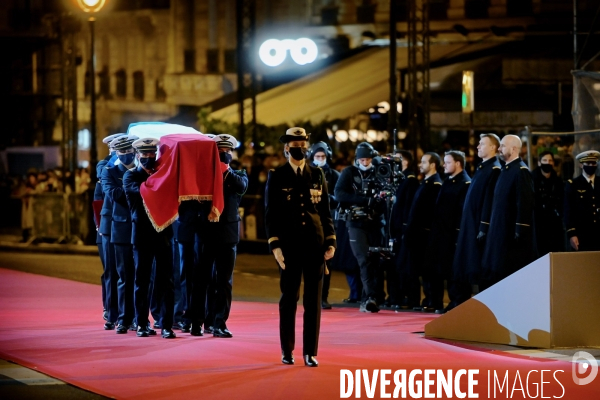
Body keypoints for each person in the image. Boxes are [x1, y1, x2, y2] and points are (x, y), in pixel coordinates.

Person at [265, 127, 336, 367]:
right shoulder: (277, 175)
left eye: (303, 144)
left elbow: (325, 211)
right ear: (287, 148)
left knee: (313, 301)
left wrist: (331, 241)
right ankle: (287, 349)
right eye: (295, 145)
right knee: (289, 298)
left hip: (314, 245)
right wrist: (275, 245)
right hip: (289, 247)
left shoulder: (317, 174)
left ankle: (310, 352)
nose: (300, 149)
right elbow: (270, 215)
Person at [193, 134, 248, 338]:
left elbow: (242, 188)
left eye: (227, 152)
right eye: (220, 152)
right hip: (206, 232)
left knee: (224, 281)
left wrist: (225, 171)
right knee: (202, 278)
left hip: (227, 234)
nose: (224, 155)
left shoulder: (238, 174)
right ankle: (198, 322)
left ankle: (219, 322)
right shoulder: (203, 175)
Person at [123, 138, 176, 339]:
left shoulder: (162, 175)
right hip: (143, 235)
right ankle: (142, 323)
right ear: (137, 155)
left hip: (163, 234)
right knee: (142, 281)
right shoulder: (130, 177)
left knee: (167, 282)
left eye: (151, 154)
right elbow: (146, 194)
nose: (147, 157)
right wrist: (162, 181)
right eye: (144, 154)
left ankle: (166, 325)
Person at [452, 134, 501, 309]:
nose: (478, 147)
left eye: (482, 144)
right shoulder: (483, 168)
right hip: (470, 225)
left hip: (479, 228)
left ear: (493, 147)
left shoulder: (494, 170)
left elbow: (489, 201)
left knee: (478, 268)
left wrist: (483, 226)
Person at [480, 135, 536, 291]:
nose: (499, 149)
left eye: (503, 146)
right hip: (499, 229)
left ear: (514, 149)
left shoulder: (521, 171)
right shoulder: (505, 170)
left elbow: (524, 202)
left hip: (509, 232)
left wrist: (520, 229)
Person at [334, 142, 384, 313]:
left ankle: (371, 297)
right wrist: (364, 200)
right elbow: (339, 194)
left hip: (376, 222)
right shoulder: (349, 172)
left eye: (368, 159)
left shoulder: (378, 172)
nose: (365, 162)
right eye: (362, 159)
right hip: (355, 223)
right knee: (363, 259)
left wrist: (378, 200)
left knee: (375, 260)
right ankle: (369, 297)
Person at [424, 151, 471, 313]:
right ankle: (451, 300)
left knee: (455, 270)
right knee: (444, 269)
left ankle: (458, 302)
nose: (444, 165)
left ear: (458, 164)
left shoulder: (464, 184)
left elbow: (461, 212)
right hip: (442, 234)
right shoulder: (448, 182)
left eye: (448, 162)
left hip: (453, 235)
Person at [101, 134, 139, 334]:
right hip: (122, 230)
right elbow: (114, 195)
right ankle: (123, 319)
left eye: (129, 152)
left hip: (141, 229)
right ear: (116, 153)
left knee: (142, 278)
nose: (126, 155)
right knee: (123, 277)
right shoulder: (109, 172)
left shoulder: (143, 171)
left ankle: (140, 320)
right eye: (122, 152)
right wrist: (135, 188)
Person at [398, 152, 442, 311]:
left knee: (427, 270)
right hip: (417, 233)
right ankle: (420, 299)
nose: (420, 165)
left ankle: (432, 300)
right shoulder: (425, 182)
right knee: (415, 268)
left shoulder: (435, 185)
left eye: (424, 162)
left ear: (432, 165)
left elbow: (429, 212)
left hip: (424, 234)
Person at [98, 133, 128, 330]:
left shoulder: (132, 168)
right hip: (109, 226)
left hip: (124, 225)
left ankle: (126, 314)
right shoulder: (106, 167)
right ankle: (111, 312)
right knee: (111, 272)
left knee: (126, 273)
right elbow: (100, 199)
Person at [308, 141, 339, 309]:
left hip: (327, 222)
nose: (320, 159)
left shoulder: (334, 175)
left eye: (323, 156)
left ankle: (323, 297)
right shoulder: (308, 174)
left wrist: (327, 199)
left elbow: (339, 196)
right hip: (310, 223)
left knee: (327, 261)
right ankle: (312, 296)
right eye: (317, 156)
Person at [389, 150, 419, 309]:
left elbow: (407, 206)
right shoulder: (400, 179)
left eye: (397, 159)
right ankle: (397, 296)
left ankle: (409, 297)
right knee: (397, 265)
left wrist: (404, 228)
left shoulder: (410, 180)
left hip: (403, 229)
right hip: (396, 227)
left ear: (405, 161)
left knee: (406, 265)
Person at [564, 150, 600, 251]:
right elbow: (568, 211)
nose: (591, 166)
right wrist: (572, 233)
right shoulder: (573, 184)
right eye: (588, 163)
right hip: (582, 234)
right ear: (581, 165)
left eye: (593, 163)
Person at [533, 151, 565, 255]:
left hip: (554, 224)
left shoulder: (558, 180)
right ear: (539, 163)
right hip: (538, 224)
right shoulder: (532, 179)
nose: (548, 163)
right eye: (545, 160)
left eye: (550, 160)